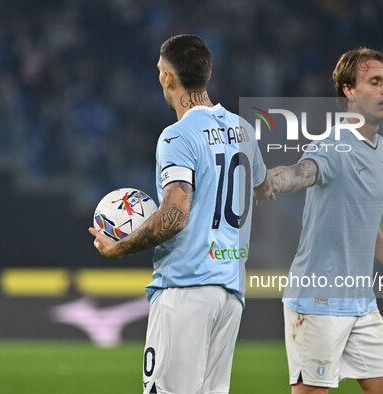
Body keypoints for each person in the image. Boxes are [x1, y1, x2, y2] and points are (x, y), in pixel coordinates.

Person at [89, 34, 270, 394]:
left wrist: (119, 247)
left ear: (168, 77)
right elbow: (262, 189)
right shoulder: (243, 130)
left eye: (160, 71)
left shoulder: (177, 136)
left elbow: (175, 213)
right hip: (230, 292)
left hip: (186, 287)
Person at [261, 48, 383, 394]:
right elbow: (301, 172)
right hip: (318, 303)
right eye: (374, 81)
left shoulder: (381, 149)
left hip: (361, 302)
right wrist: (270, 181)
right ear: (348, 91)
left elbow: (362, 217)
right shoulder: (334, 145)